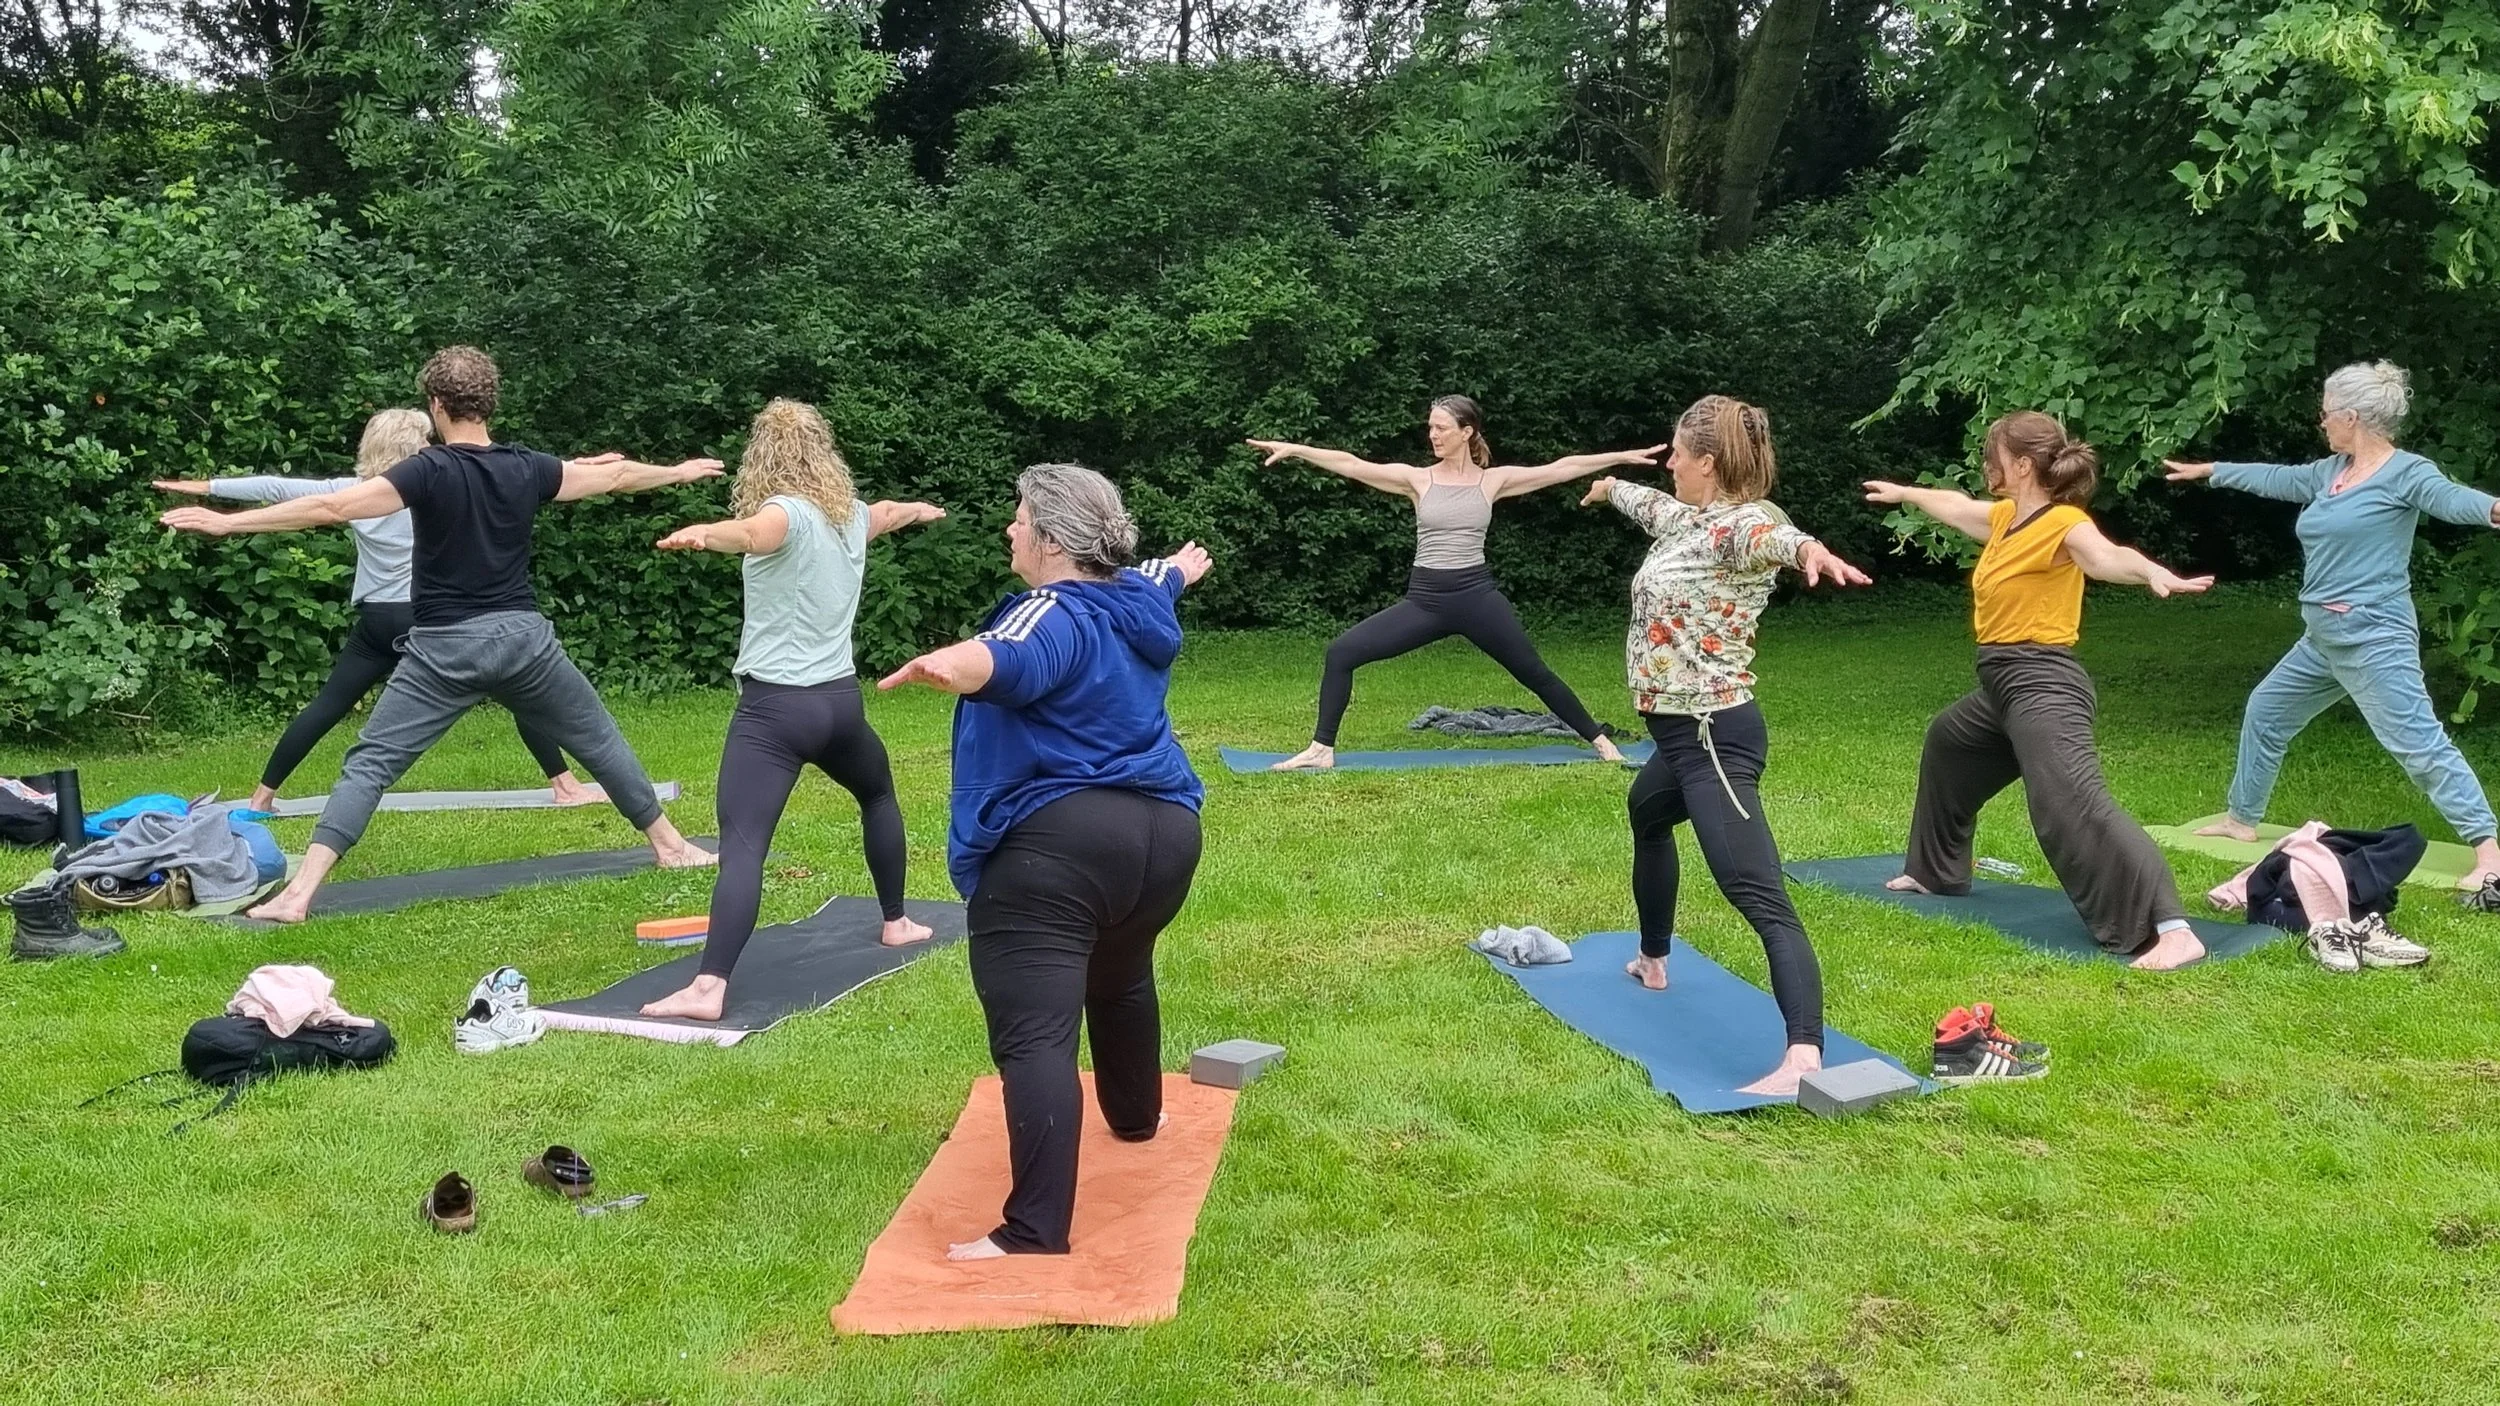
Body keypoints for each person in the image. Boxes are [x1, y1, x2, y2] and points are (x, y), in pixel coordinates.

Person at [159, 345, 720, 923]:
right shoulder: (527, 466)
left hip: (446, 648)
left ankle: (298, 897)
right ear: (489, 403)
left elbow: (332, 507)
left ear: (435, 406)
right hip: (524, 642)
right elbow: (619, 475)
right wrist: (677, 472)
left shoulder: (427, 470)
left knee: (370, 765)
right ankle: (672, 847)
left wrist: (228, 523)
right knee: (599, 742)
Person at [878, 463, 1210, 1260]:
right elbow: (1157, 575)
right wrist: (1182, 568)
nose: (1010, 529)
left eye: (1020, 518)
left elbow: (1011, 658)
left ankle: (1031, 1233)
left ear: (1056, 541)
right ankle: (1136, 1117)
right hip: (1167, 836)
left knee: (1035, 1037)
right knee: (1121, 970)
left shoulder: (1048, 606)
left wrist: (950, 665)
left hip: (1059, 851)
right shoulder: (1135, 594)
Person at [1583, 395, 1871, 1095]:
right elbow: (1648, 505)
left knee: (1756, 892)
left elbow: (1778, 537)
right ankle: (1653, 959)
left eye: (1678, 453)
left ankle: (1804, 1057)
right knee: (1647, 817)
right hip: (1679, 740)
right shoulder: (1691, 520)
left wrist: (1811, 551)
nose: (1670, 462)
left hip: (1712, 737)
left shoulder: (1742, 524)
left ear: (1707, 463)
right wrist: (1607, 487)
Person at [1866, 412, 2216, 971]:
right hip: (2001, 685)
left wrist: (2152, 572)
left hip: (2043, 683)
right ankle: (1934, 872)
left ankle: (2172, 929)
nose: (1988, 463)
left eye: (1996, 454)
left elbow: (2106, 557)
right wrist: (1906, 492)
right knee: (1949, 742)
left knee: (2070, 803)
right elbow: (1957, 506)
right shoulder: (2007, 518)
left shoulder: (2063, 523)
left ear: (2023, 465)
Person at [634, 400, 948, 1022]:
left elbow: (750, 534)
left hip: (774, 713)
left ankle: (708, 989)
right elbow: (887, 512)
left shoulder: (784, 513)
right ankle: (898, 921)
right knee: (878, 796)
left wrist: (705, 533)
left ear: (764, 457)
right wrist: (921, 511)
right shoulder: (850, 516)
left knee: (744, 843)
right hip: (839, 707)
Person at [155, 410, 603, 814]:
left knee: (329, 705)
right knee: (518, 687)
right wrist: (589, 468)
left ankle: (262, 797)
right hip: (433, 618)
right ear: (416, 448)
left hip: (378, 621)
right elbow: (531, 473)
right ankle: (563, 785)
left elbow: (274, 486)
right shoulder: (437, 485)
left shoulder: (351, 492)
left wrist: (210, 487)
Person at [2165, 359, 2500, 891]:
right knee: (2267, 710)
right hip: (2322, 637)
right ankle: (2240, 820)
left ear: (2351, 417)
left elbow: (2452, 499)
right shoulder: (2332, 471)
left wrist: (2494, 509)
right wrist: (2213, 471)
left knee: (2418, 743)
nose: (2320, 423)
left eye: (2325, 414)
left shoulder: (2407, 473)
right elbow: (2281, 479)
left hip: (2373, 636)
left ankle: (2488, 850)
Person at [1246, 396, 1658, 769]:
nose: (1432, 435)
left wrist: (1619, 455)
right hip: (1425, 601)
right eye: (1430, 427)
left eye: (1441, 428)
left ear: (1467, 432)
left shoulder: (1491, 481)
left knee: (1534, 672)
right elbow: (1352, 463)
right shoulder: (1417, 479)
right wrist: (1297, 450)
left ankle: (1599, 740)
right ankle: (1321, 749)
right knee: (1341, 653)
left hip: (1477, 598)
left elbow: (1560, 468)